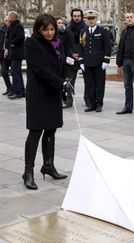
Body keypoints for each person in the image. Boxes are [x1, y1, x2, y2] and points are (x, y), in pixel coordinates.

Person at [23, 13, 71, 190]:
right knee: (35, 131)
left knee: (51, 130)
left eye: (52, 29)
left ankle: (48, 165)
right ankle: (28, 172)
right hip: (38, 93)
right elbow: (39, 69)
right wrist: (61, 82)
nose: (50, 33)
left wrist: (65, 81)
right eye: (46, 30)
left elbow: (63, 64)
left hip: (53, 92)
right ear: (38, 29)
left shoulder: (59, 42)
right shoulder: (32, 43)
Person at [79, 10, 112, 112]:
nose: (91, 21)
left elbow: (107, 46)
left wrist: (106, 60)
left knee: (99, 84)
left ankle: (99, 104)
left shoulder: (103, 31)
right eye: (89, 19)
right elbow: (81, 47)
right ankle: (91, 104)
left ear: (96, 19)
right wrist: (81, 61)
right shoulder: (83, 32)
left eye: (93, 18)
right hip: (87, 62)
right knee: (89, 84)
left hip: (99, 63)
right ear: (86, 20)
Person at [67, 8, 87, 106]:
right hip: (72, 57)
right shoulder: (68, 28)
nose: (77, 18)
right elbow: (66, 44)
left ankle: (89, 101)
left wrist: (80, 54)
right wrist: (72, 54)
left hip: (84, 57)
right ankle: (69, 100)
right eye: (75, 16)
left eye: (78, 16)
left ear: (82, 17)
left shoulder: (86, 28)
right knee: (70, 80)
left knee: (88, 80)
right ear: (72, 17)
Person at [56, 16, 76, 108]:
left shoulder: (67, 32)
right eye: (59, 23)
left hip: (66, 59)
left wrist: (71, 55)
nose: (61, 24)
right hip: (57, 60)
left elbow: (70, 45)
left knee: (68, 81)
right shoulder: (53, 33)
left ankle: (68, 100)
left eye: (62, 23)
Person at [6, 11, 25, 99]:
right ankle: (21, 91)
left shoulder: (18, 26)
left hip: (17, 53)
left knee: (15, 72)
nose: (8, 18)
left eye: (9, 16)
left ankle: (18, 92)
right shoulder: (13, 26)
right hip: (14, 53)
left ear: (13, 17)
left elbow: (21, 37)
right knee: (17, 72)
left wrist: (13, 43)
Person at [0, 16, 11, 96]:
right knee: (3, 72)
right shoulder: (2, 30)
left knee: (13, 72)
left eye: (8, 21)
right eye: (6, 21)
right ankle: (9, 88)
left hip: (9, 54)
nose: (7, 22)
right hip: (2, 55)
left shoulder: (10, 30)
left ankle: (14, 89)